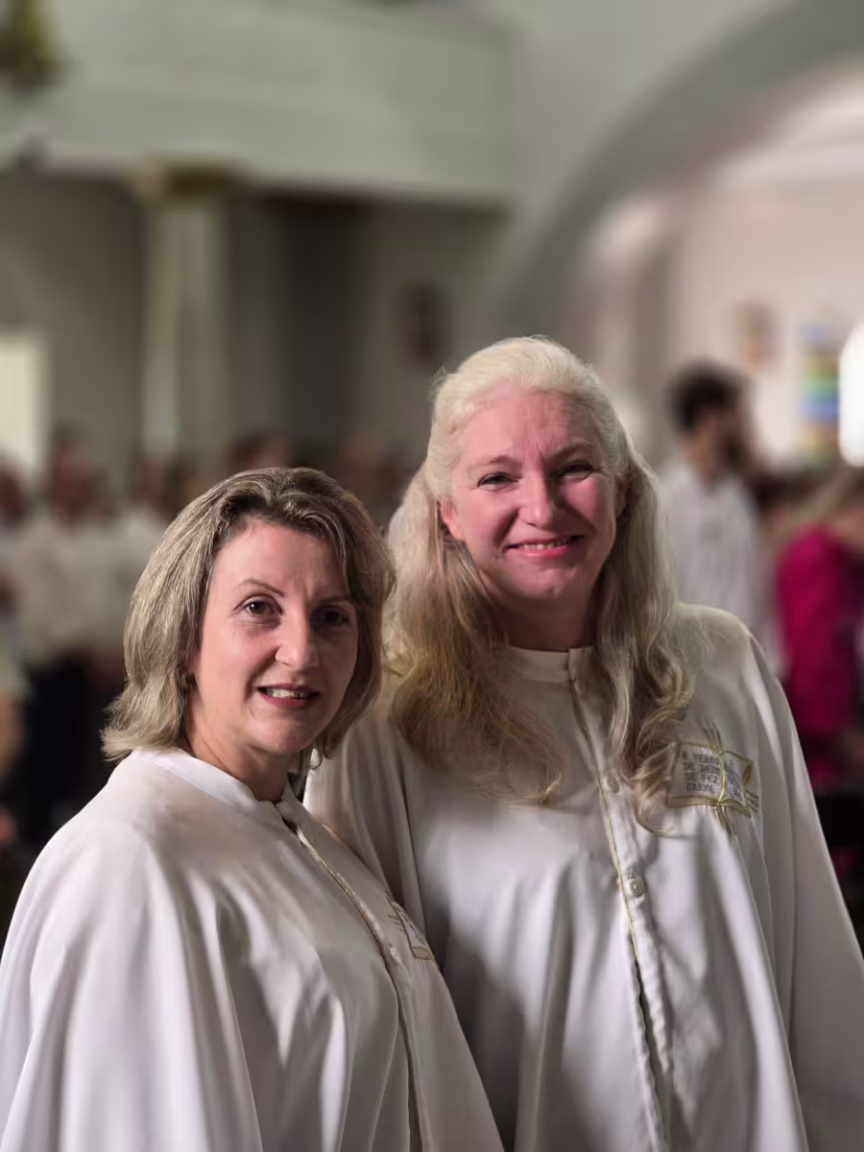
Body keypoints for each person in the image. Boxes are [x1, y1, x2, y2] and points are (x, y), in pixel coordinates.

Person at [307, 337, 864, 1152]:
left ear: (624, 490)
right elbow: (376, 1034)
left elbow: (816, 961)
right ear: (446, 511)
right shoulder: (386, 723)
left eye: (573, 468)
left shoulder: (723, 668)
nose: (542, 507)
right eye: (497, 478)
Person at [0, 468, 504, 1152]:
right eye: (259, 608)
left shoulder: (293, 830)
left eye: (332, 617)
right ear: (184, 640)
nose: (301, 652)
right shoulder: (129, 864)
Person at [658, 361, 777, 662]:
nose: (745, 427)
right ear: (711, 420)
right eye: (738, 415)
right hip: (693, 663)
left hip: (745, 660)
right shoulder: (665, 500)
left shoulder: (736, 496)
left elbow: (754, 587)